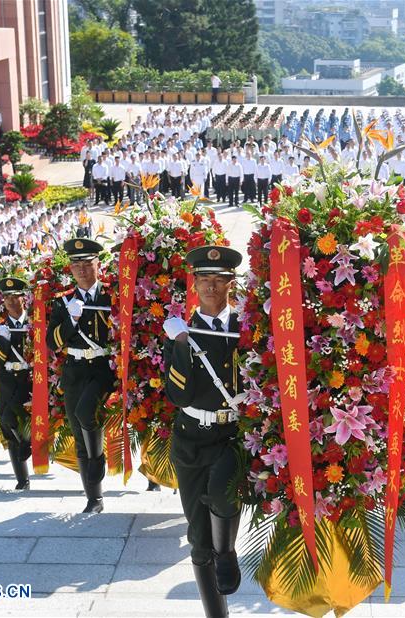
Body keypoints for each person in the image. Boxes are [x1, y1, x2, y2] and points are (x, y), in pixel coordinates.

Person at [162, 246, 244, 617]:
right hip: (192, 436)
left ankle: (227, 552)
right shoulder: (182, 332)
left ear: (231, 283)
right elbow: (178, 394)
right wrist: (180, 346)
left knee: (225, 497)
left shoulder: (246, 327)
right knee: (198, 539)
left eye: (220, 279)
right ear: (194, 284)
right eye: (204, 279)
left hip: (232, 436)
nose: (212, 286)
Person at [47, 238, 116, 513]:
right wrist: (70, 320)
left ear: (98, 265)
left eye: (88, 264)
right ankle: (94, 498)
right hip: (75, 370)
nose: (82, 270)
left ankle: (98, 460)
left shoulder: (110, 295)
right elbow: (52, 343)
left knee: (87, 413)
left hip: (101, 368)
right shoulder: (63, 302)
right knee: (78, 431)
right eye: (77, 265)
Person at [0, 277, 33, 491]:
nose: (10, 301)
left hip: (29, 379)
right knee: (7, 423)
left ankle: (28, 442)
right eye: (6, 297)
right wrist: (4, 341)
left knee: (26, 421)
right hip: (6, 380)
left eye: (14, 296)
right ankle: (22, 478)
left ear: (23, 298)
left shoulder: (35, 323)